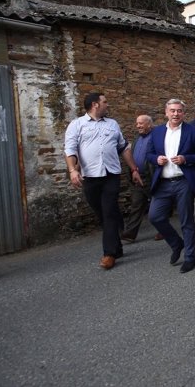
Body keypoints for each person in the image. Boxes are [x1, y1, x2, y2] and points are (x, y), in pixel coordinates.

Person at [64, 92, 143, 270]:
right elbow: (70, 149)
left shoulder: (113, 124)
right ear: (95, 105)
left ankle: (109, 254)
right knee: (102, 213)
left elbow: (124, 148)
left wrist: (134, 169)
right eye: (105, 102)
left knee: (108, 212)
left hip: (111, 175)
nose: (108, 104)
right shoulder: (77, 125)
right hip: (90, 176)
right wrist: (72, 170)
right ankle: (117, 246)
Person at [147, 99, 195, 274]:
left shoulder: (193, 131)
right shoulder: (157, 132)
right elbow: (149, 154)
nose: (175, 114)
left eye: (179, 111)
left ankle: (189, 258)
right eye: (172, 110)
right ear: (166, 112)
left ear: (183, 113)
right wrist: (156, 159)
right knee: (155, 217)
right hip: (163, 182)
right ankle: (176, 243)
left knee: (186, 221)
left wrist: (185, 159)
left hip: (183, 181)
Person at [121, 115, 162, 242]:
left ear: (149, 124)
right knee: (137, 204)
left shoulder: (157, 137)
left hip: (152, 177)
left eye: (141, 123)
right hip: (138, 177)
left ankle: (163, 230)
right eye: (137, 123)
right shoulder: (137, 138)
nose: (138, 126)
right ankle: (130, 234)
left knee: (158, 205)